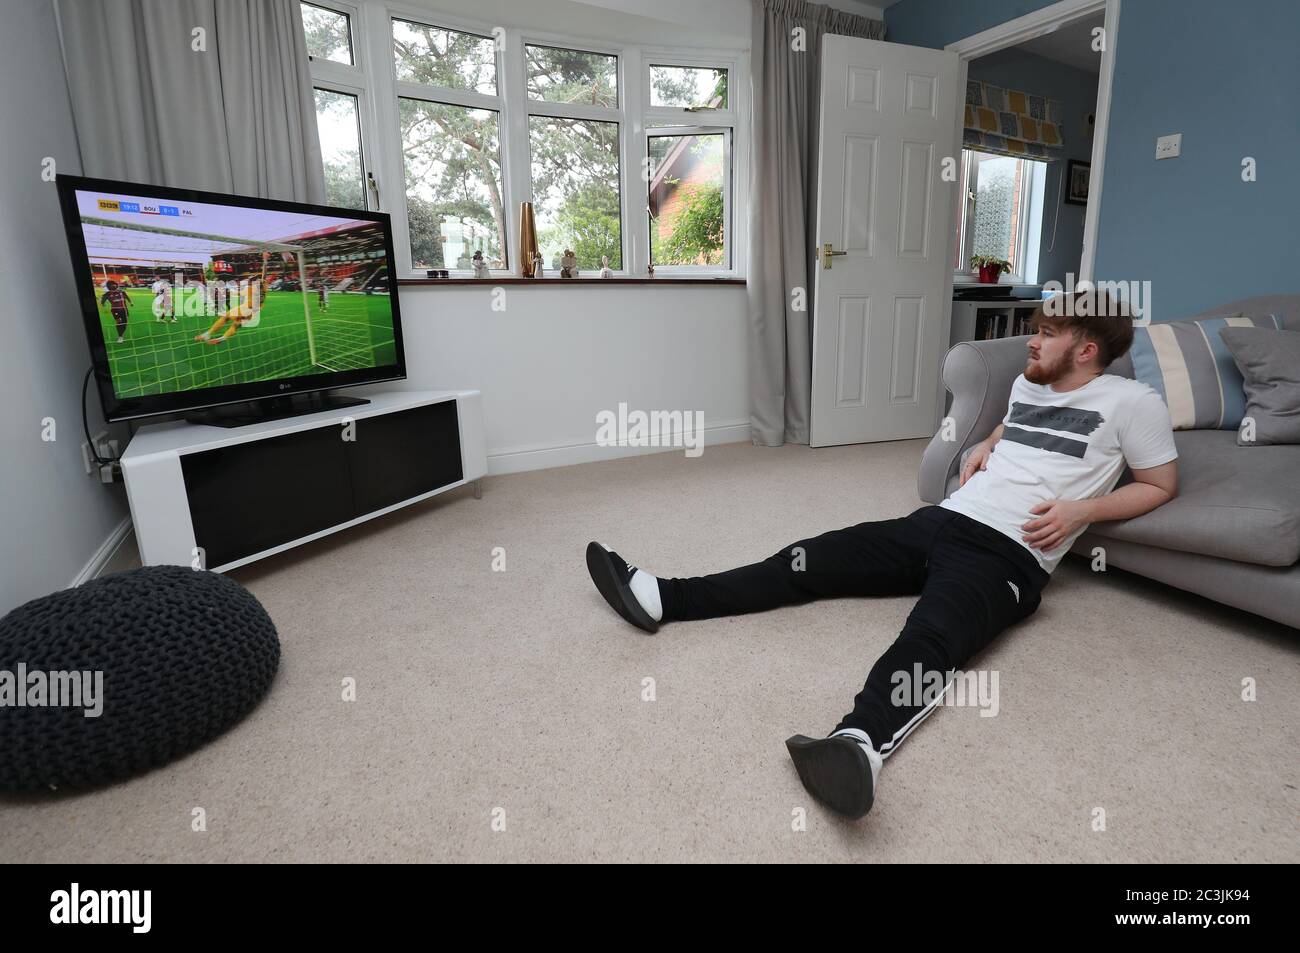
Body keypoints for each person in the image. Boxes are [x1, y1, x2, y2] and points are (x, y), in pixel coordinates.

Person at [585, 291, 1179, 819]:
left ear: (1086, 348)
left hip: (1009, 557)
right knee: (808, 559)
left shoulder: (1133, 403)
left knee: (931, 638)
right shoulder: (1031, 383)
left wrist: (1081, 512)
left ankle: (860, 745)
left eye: (1048, 333)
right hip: (941, 521)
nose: (1032, 339)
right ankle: (663, 596)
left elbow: (1160, 484)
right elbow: (1022, 425)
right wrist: (985, 443)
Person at [195, 255, 267, 346]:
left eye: (250, 281)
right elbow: (264, 275)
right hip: (254, 312)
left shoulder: (251, 289)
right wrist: (265, 260)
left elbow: (237, 293)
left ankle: (207, 335)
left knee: (225, 318)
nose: (249, 282)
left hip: (246, 309)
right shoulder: (264, 288)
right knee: (235, 326)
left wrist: (228, 291)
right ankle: (222, 338)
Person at [100, 280, 131, 344]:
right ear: (109, 286)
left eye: (114, 284)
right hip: (115, 310)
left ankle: (121, 334)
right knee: (119, 321)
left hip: (124, 309)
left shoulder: (122, 292)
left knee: (125, 323)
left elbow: (127, 297)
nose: (114, 285)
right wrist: (104, 307)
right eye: (112, 284)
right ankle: (120, 336)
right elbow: (102, 303)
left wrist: (130, 302)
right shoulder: (107, 294)